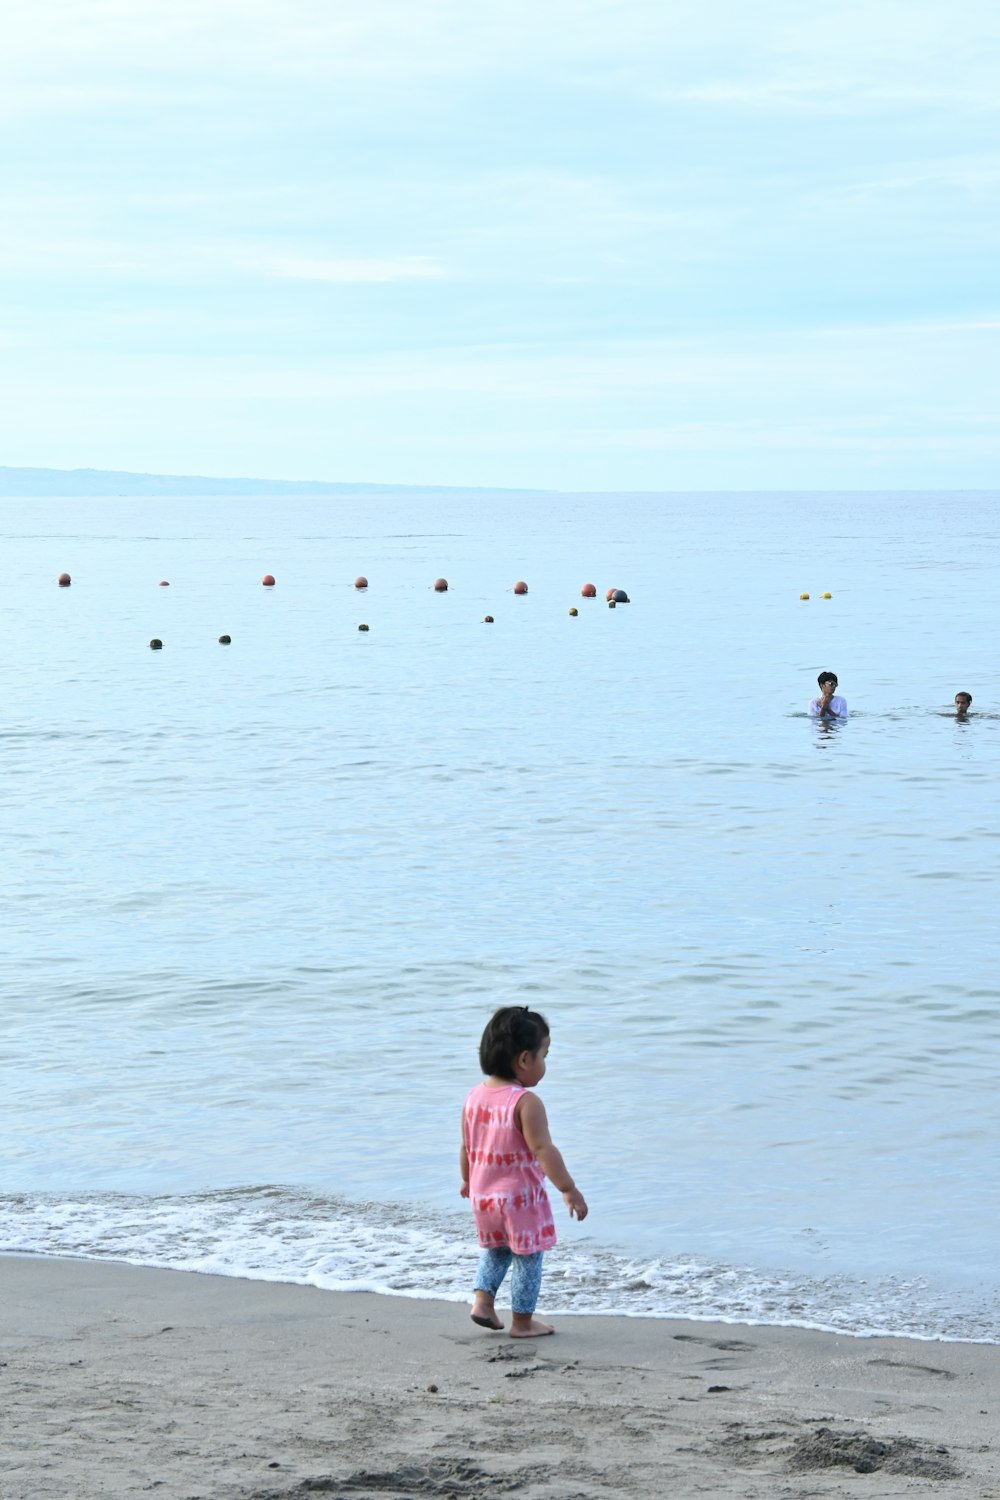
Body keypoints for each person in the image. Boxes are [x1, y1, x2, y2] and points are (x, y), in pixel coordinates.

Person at [460, 1006, 587, 1338]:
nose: (545, 1064)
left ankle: (483, 1303)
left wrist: (465, 1180)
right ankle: (522, 1322)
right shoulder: (525, 1102)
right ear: (525, 1060)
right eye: (545, 1055)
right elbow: (543, 1150)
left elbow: (467, 1147)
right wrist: (568, 1188)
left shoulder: (474, 1097)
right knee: (528, 1260)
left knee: (496, 1249)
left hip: (483, 1196)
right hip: (519, 1201)